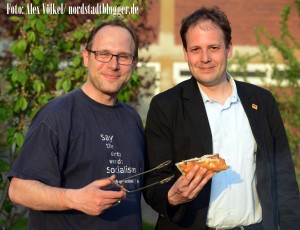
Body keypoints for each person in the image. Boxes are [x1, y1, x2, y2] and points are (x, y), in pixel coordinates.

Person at [143, 6, 300, 230]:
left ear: (229, 49)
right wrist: (171, 196)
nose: (205, 58)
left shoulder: (262, 102)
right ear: (186, 54)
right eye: (195, 49)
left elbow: (283, 177)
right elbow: (154, 181)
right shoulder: (166, 106)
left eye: (213, 47)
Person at [8, 19, 146, 230]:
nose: (114, 64)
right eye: (104, 54)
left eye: (124, 56)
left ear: (134, 63)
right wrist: (74, 198)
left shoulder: (132, 119)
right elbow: (18, 190)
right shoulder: (56, 116)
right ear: (86, 58)